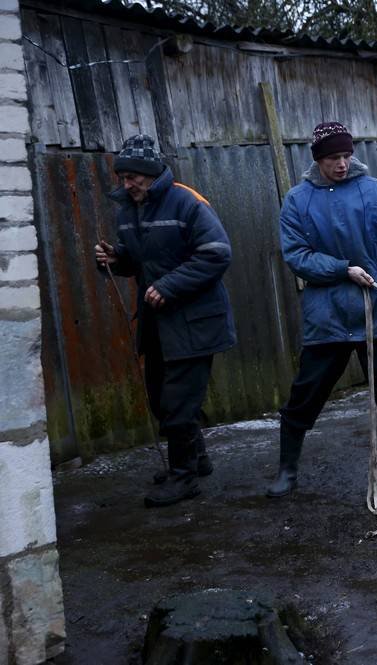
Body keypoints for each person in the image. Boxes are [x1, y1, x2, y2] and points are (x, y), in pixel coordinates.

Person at [266, 121, 377, 505]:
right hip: (327, 317)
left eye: (345, 155)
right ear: (317, 160)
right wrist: (342, 269)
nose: (341, 164)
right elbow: (297, 256)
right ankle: (287, 470)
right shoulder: (297, 200)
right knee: (305, 393)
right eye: (332, 158)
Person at [95, 134, 236, 508]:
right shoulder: (128, 208)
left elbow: (217, 253)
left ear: (152, 172)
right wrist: (116, 259)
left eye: (133, 177)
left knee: (178, 401)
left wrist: (169, 286)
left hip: (195, 321)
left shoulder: (187, 201)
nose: (126, 184)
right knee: (161, 397)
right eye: (122, 176)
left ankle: (183, 477)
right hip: (158, 323)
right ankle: (197, 459)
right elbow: (143, 260)